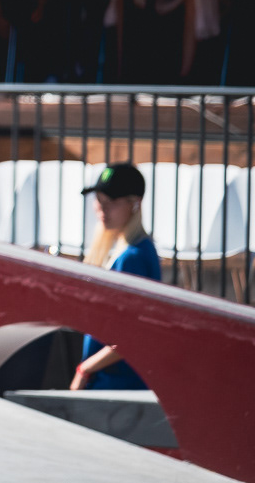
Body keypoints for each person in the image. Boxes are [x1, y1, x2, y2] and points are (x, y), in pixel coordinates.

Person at [71, 163, 161, 391]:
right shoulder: (126, 250)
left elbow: (133, 335)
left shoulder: (133, 257)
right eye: (99, 200)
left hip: (117, 385)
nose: (102, 209)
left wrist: (85, 369)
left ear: (134, 204)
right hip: (110, 382)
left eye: (111, 202)